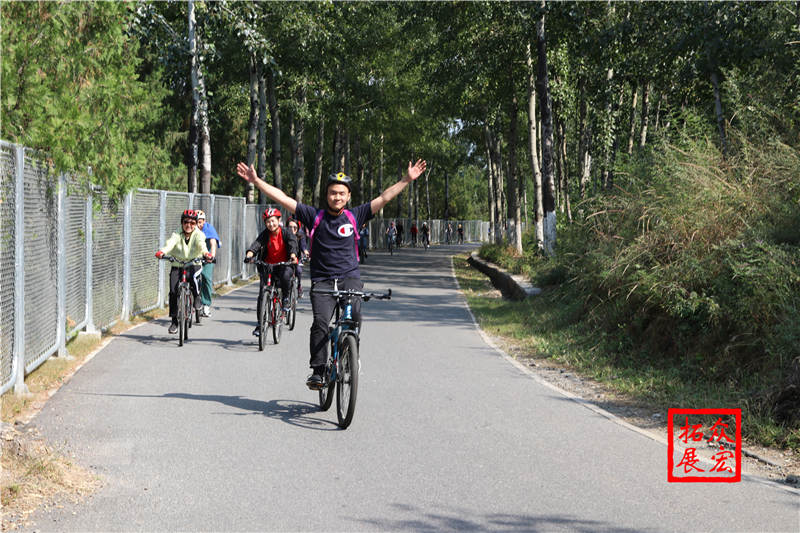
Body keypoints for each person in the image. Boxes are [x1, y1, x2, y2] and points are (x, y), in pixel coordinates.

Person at [236, 158, 426, 389]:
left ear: (348, 197)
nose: (337, 197)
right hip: (323, 280)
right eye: (333, 193)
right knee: (321, 323)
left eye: (341, 193)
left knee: (354, 318)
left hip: (349, 277)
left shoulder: (356, 215)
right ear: (327, 195)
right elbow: (283, 199)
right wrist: (256, 181)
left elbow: (384, 197)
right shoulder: (313, 215)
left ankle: (350, 353)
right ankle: (318, 371)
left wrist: (407, 179)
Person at [155, 209, 212, 334]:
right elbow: (170, 243)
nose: (189, 225)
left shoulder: (198, 234)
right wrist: (163, 252)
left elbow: (201, 244)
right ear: (182, 223)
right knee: (173, 292)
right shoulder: (177, 233)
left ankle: (197, 297)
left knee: (194, 279)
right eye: (186, 222)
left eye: (192, 223)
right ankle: (174, 321)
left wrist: (206, 254)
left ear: (196, 224)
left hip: (194, 263)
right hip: (178, 264)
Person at [244, 208, 298, 337]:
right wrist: (249, 254)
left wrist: (292, 255)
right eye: (268, 222)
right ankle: (260, 324)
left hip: (285, 264)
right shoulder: (265, 234)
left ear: (279, 221)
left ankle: (285, 298)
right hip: (268, 266)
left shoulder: (286, 233)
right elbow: (256, 245)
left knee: (286, 276)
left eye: (273, 221)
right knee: (263, 293)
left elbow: (292, 244)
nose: (271, 224)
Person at [195, 210, 220, 317]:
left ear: (204, 221)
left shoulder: (208, 228)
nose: (198, 225)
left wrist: (212, 256)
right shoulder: (190, 228)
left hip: (207, 256)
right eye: (196, 222)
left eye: (200, 222)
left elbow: (213, 243)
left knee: (205, 277)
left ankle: (206, 304)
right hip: (195, 255)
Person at [287, 217, 308, 299]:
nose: (292, 229)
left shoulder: (300, 236)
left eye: (294, 227)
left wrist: (305, 251)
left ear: (298, 228)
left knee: (298, 270)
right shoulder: (284, 234)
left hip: (296, 259)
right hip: (285, 259)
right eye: (290, 227)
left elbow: (303, 246)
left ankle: (299, 287)